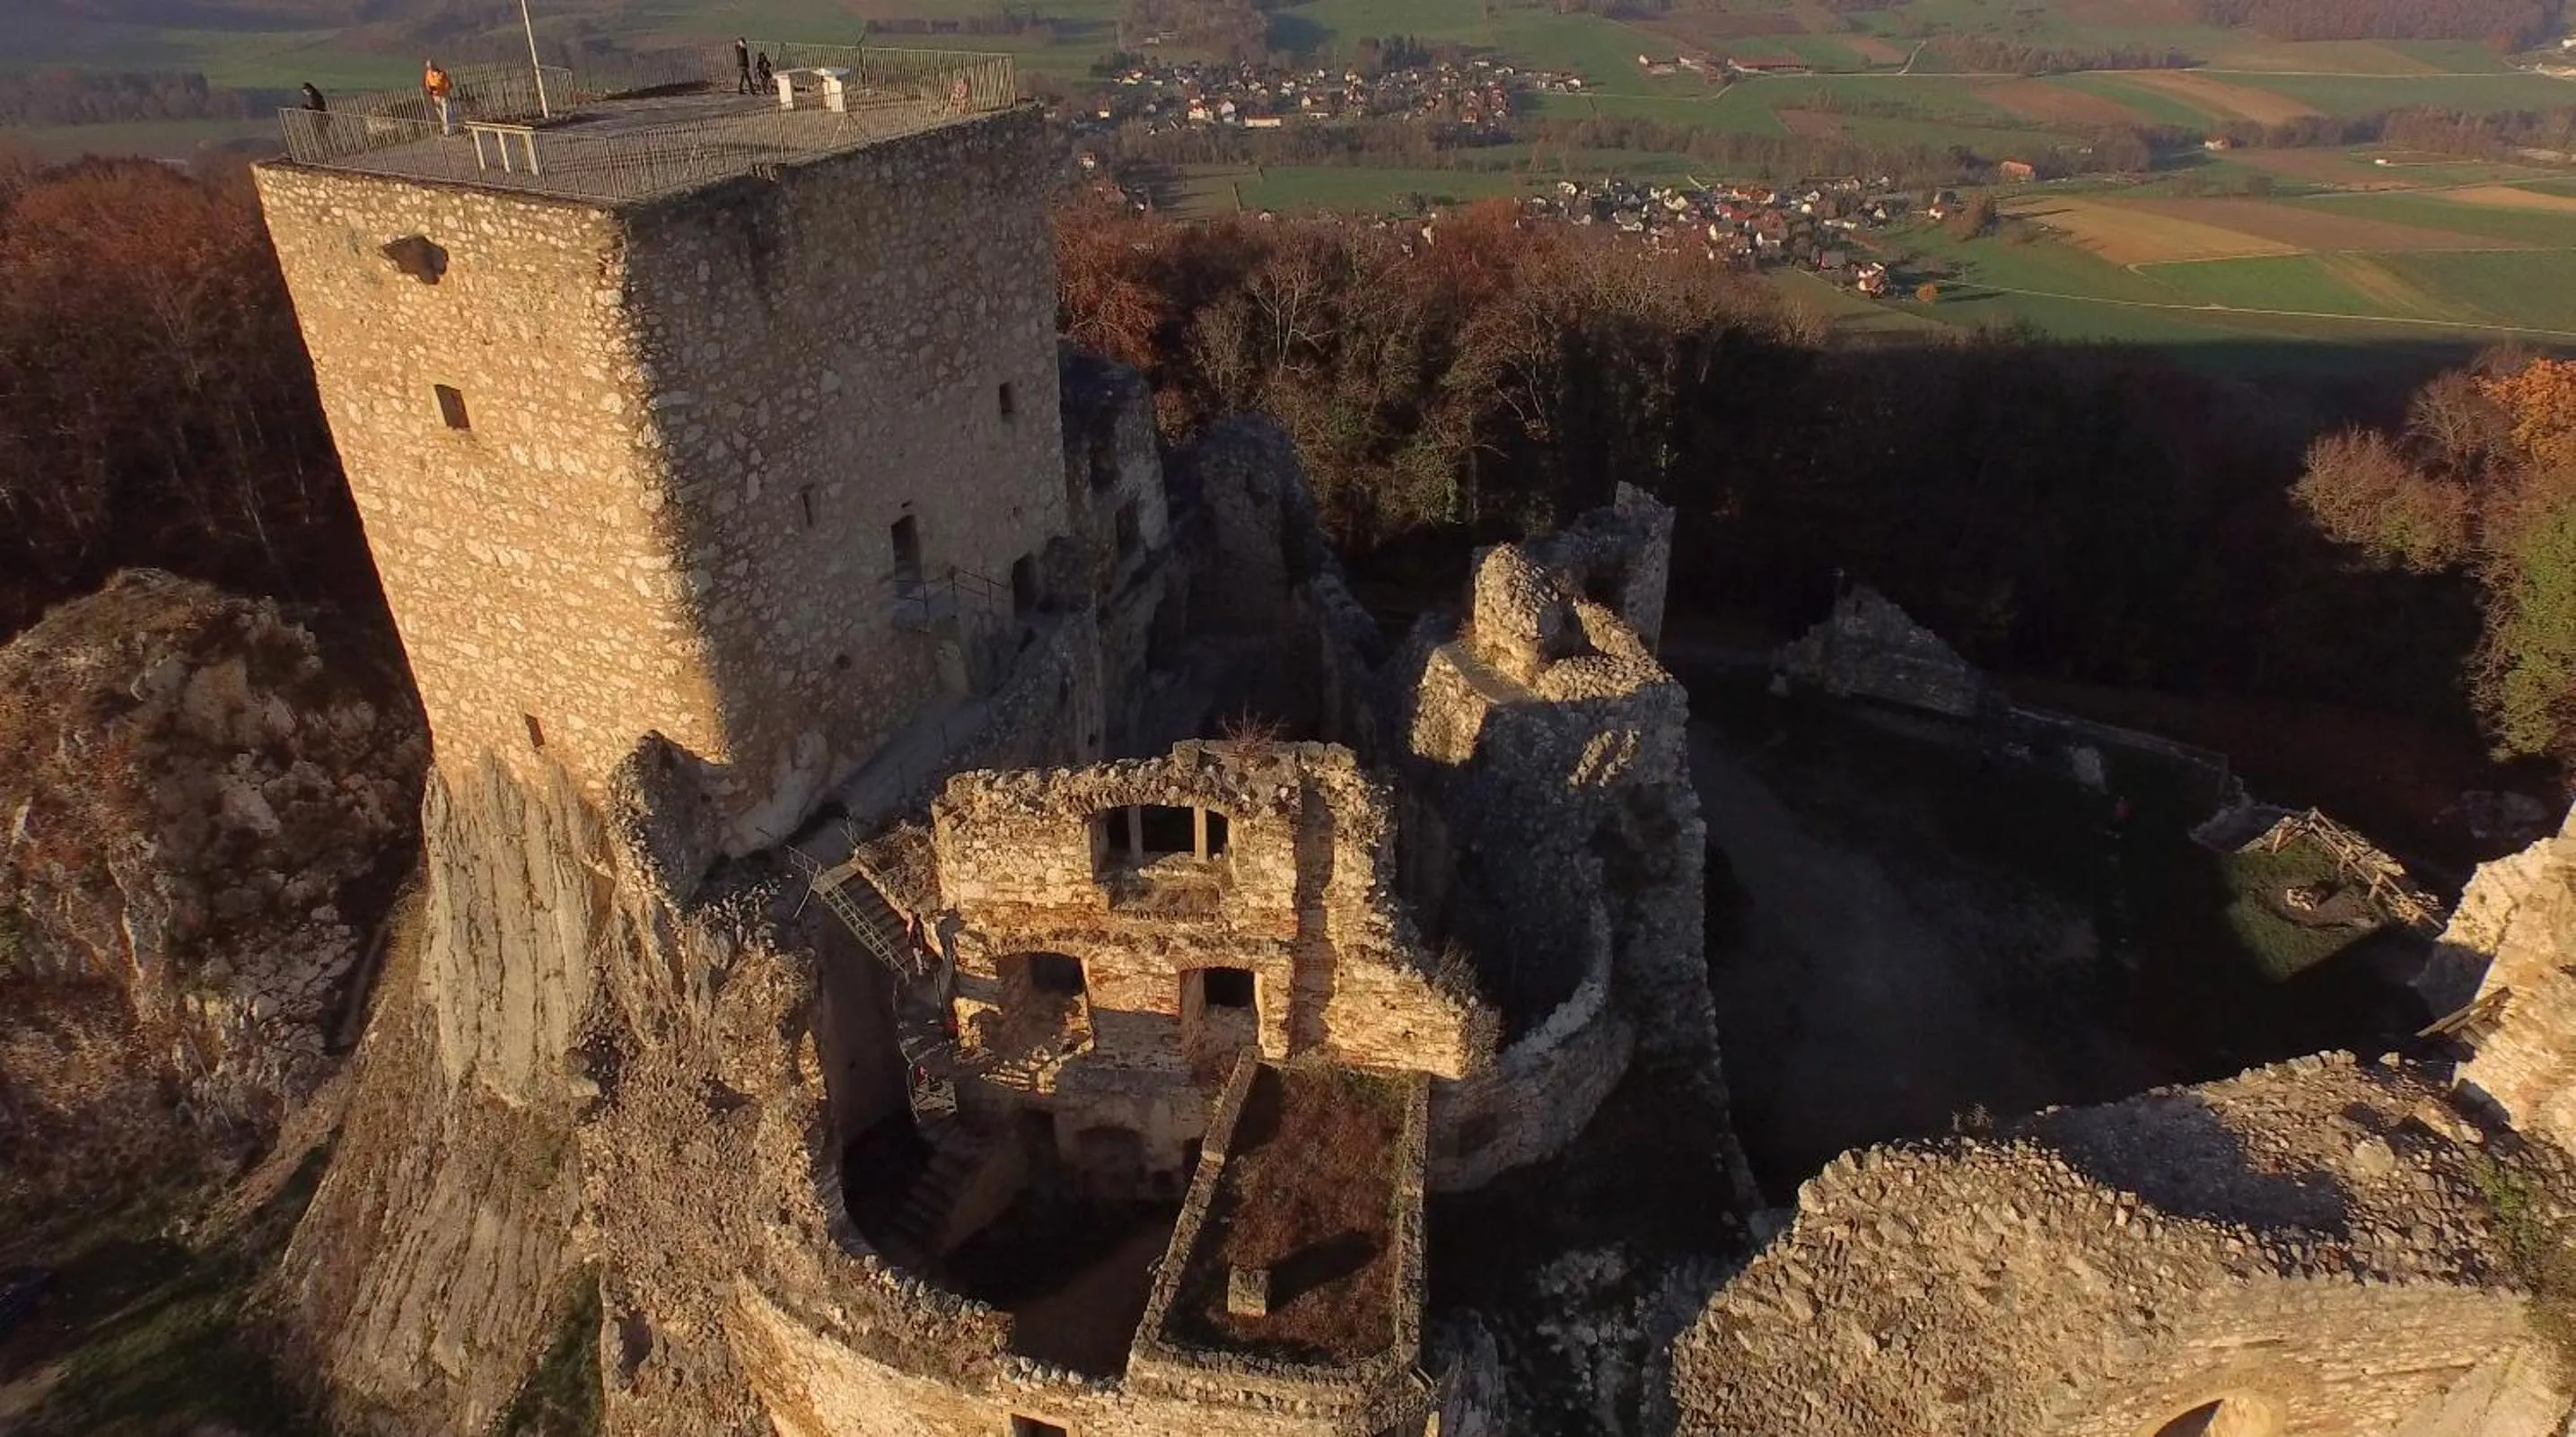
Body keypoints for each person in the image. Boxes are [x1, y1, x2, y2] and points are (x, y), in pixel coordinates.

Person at [423, 58, 454, 135]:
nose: (431, 68)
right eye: (429, 67)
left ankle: (447, 131)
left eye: (431, 66)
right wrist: (430, 90)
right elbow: (427, 83)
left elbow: (449, 84)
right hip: (435, 96)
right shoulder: (428, 74)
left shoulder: (442, 74)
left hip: (443, 95)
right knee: (439, 112)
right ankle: (446, 127)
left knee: (445, 112)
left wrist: (445, 89)